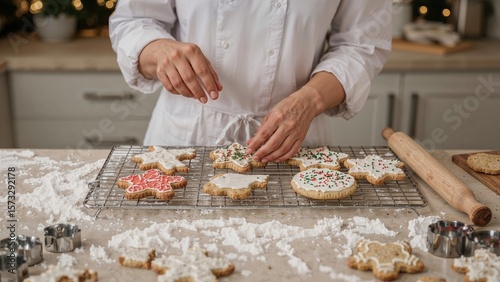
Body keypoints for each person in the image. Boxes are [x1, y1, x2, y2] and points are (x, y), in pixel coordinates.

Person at [109, 0, 392, 163]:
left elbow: (362, 44)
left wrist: (311, 100)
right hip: (186, 138)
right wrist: (159, 51)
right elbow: (133, 20)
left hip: (294, 144)